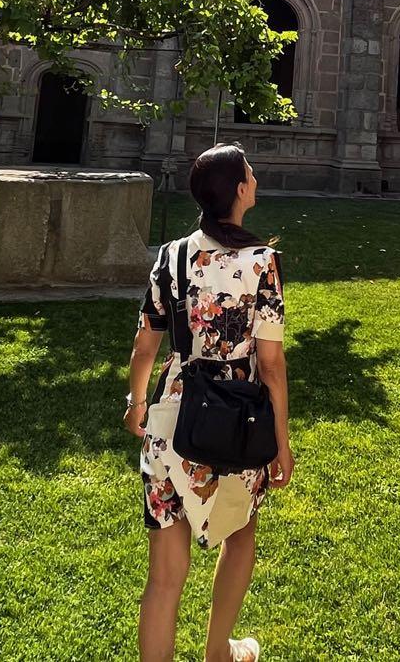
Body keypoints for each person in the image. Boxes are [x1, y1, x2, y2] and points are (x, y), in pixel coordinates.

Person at [125, 143, 293, 662]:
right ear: (240, 190)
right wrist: (281, 443)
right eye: (251, 172)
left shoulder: (172, 255)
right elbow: (270, 365)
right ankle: (218, 652)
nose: (256, 178)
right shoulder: (262, 262)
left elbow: (145, 342)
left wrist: (136, 403)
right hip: (237, 416)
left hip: (172, 414)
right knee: (239, 531)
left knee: (164, 577)